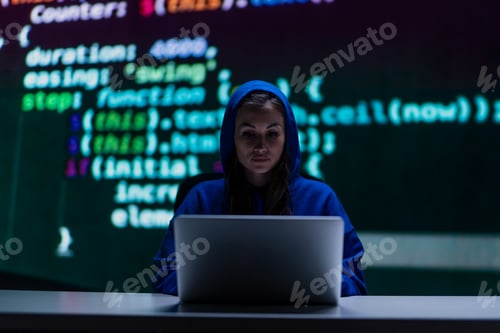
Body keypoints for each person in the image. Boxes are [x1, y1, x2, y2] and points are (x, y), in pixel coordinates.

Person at [153, 80, 367, 296]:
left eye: (272, 134)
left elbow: (354, 280)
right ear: (231, 138)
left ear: (288, 137)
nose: (260, 146)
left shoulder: (321, 199)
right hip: (218, 324)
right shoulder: (200, 197)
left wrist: (307, 288)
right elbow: (164, 274)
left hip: (300, 325)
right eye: (248, 133)